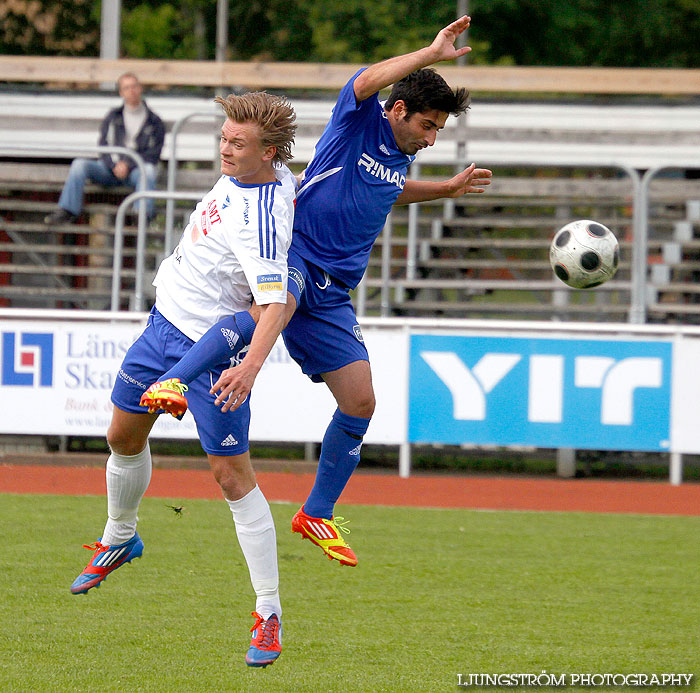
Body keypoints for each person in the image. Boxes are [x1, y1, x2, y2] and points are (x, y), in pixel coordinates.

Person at [142, 15, 491, 568]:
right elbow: (364, 79)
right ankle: (172, 381)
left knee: (360, 401)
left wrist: (445, 189)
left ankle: (317, 512)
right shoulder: (359, 120)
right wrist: (428, 54)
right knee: (265, 312)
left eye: (437, 132)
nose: (430, 138)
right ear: (398, 110)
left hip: (334, 292)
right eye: (427, 125)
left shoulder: (400, 157)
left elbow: (387, 191)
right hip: (297, 253)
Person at [69, 91, 297, 669]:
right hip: (160, 326)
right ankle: (121, 536)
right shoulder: (260, 173)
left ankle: (268, 613)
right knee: (122, 436)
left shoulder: (261, 221)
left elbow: (277, 304)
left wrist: (249, 366)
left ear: (268, 152)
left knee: (230, 475)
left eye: (237, 143)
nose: (225, 148)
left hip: (213, 350)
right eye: (223, 137)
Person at [44, 72, 165, 225]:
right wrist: (115, 165)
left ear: (140, 88)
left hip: (135, 171)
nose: (131, 91)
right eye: (126, 88)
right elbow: (104, 145)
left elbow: (154, 154)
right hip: (110, 170)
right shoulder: (113, 117)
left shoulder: (154, 121)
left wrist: (128, 165)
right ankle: (67, 210)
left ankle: (141, 215)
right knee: (79, 165)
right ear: (121, 92)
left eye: (134, 86)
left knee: (147, 171)